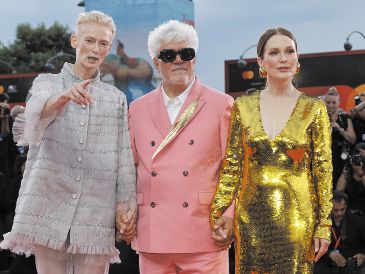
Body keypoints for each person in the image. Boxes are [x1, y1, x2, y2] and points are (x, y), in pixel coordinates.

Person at [0, 11, 136, 274]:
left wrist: (127, 204)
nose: (95, 49)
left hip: (96, 210)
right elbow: (32, 123)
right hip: (49, 202)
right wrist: (62, 98)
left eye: (103, 43)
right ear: (75, 41)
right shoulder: (47, 83)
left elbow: (123, 155)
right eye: (89, 40)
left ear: (109, 48)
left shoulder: (115, 98)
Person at [210, 27, 333, 274]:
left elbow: (323, 171)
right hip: (250, 220)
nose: (283, 58)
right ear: (261, 62)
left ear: (297, 59)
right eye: (274, 52)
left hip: (298, 220)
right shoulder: (242, 107)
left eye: (290, 51)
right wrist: (219, 211)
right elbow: (232, 165)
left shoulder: (314, 109)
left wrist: (323, 225)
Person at [125, 20, 234, 274]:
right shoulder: (137, 109)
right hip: (153, 235)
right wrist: (125, 209)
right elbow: (128, 168)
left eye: (186, 53)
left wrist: (229, 215)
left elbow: (235, 169)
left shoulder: (222, 105)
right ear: (156, 62)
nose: (179, 60)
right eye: (168, 55)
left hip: (206, 232)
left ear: (194, 58)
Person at [314, 191, 365, 274]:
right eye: (335, 210)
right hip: (328, 264)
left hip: (354, 263)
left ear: (347, 206)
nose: (339, 213)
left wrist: (363, 255)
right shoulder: (321, 223)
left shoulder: (358, 221)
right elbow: (313, 246)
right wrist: (329, 253)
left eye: (342, 209)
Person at [324, 87, 356, 187]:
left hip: (341, 158)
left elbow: (353, 140)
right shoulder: (320, 118)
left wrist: (340, 129)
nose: (330, 105)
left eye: (333, 103)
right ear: (324, 102)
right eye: (328, 102)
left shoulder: (345, 118)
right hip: (325, 159)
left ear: (339, 102)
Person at [336, 147, 365, 217]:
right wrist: (346, 169)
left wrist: (361, 173)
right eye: (358, 156)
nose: (360, 160)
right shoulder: (349, 170)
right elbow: (339, 191)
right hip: (348, 211)